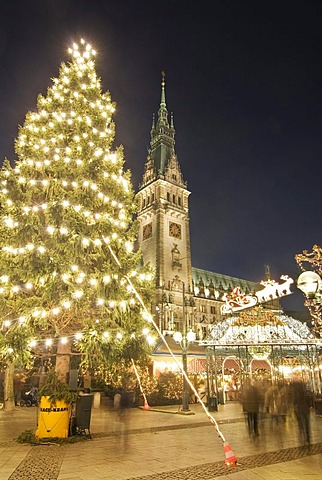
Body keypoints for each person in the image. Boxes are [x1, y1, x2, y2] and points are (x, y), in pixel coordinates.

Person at [290, 379, 312, 445]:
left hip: (299, 408)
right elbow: (310, 399)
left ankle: (302, 432)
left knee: (301, 421)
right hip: (305, 408)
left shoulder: (296, 392)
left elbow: (294, 400)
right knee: (306, 422)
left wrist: (294, 405)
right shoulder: (306, 391)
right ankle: (307, 436)